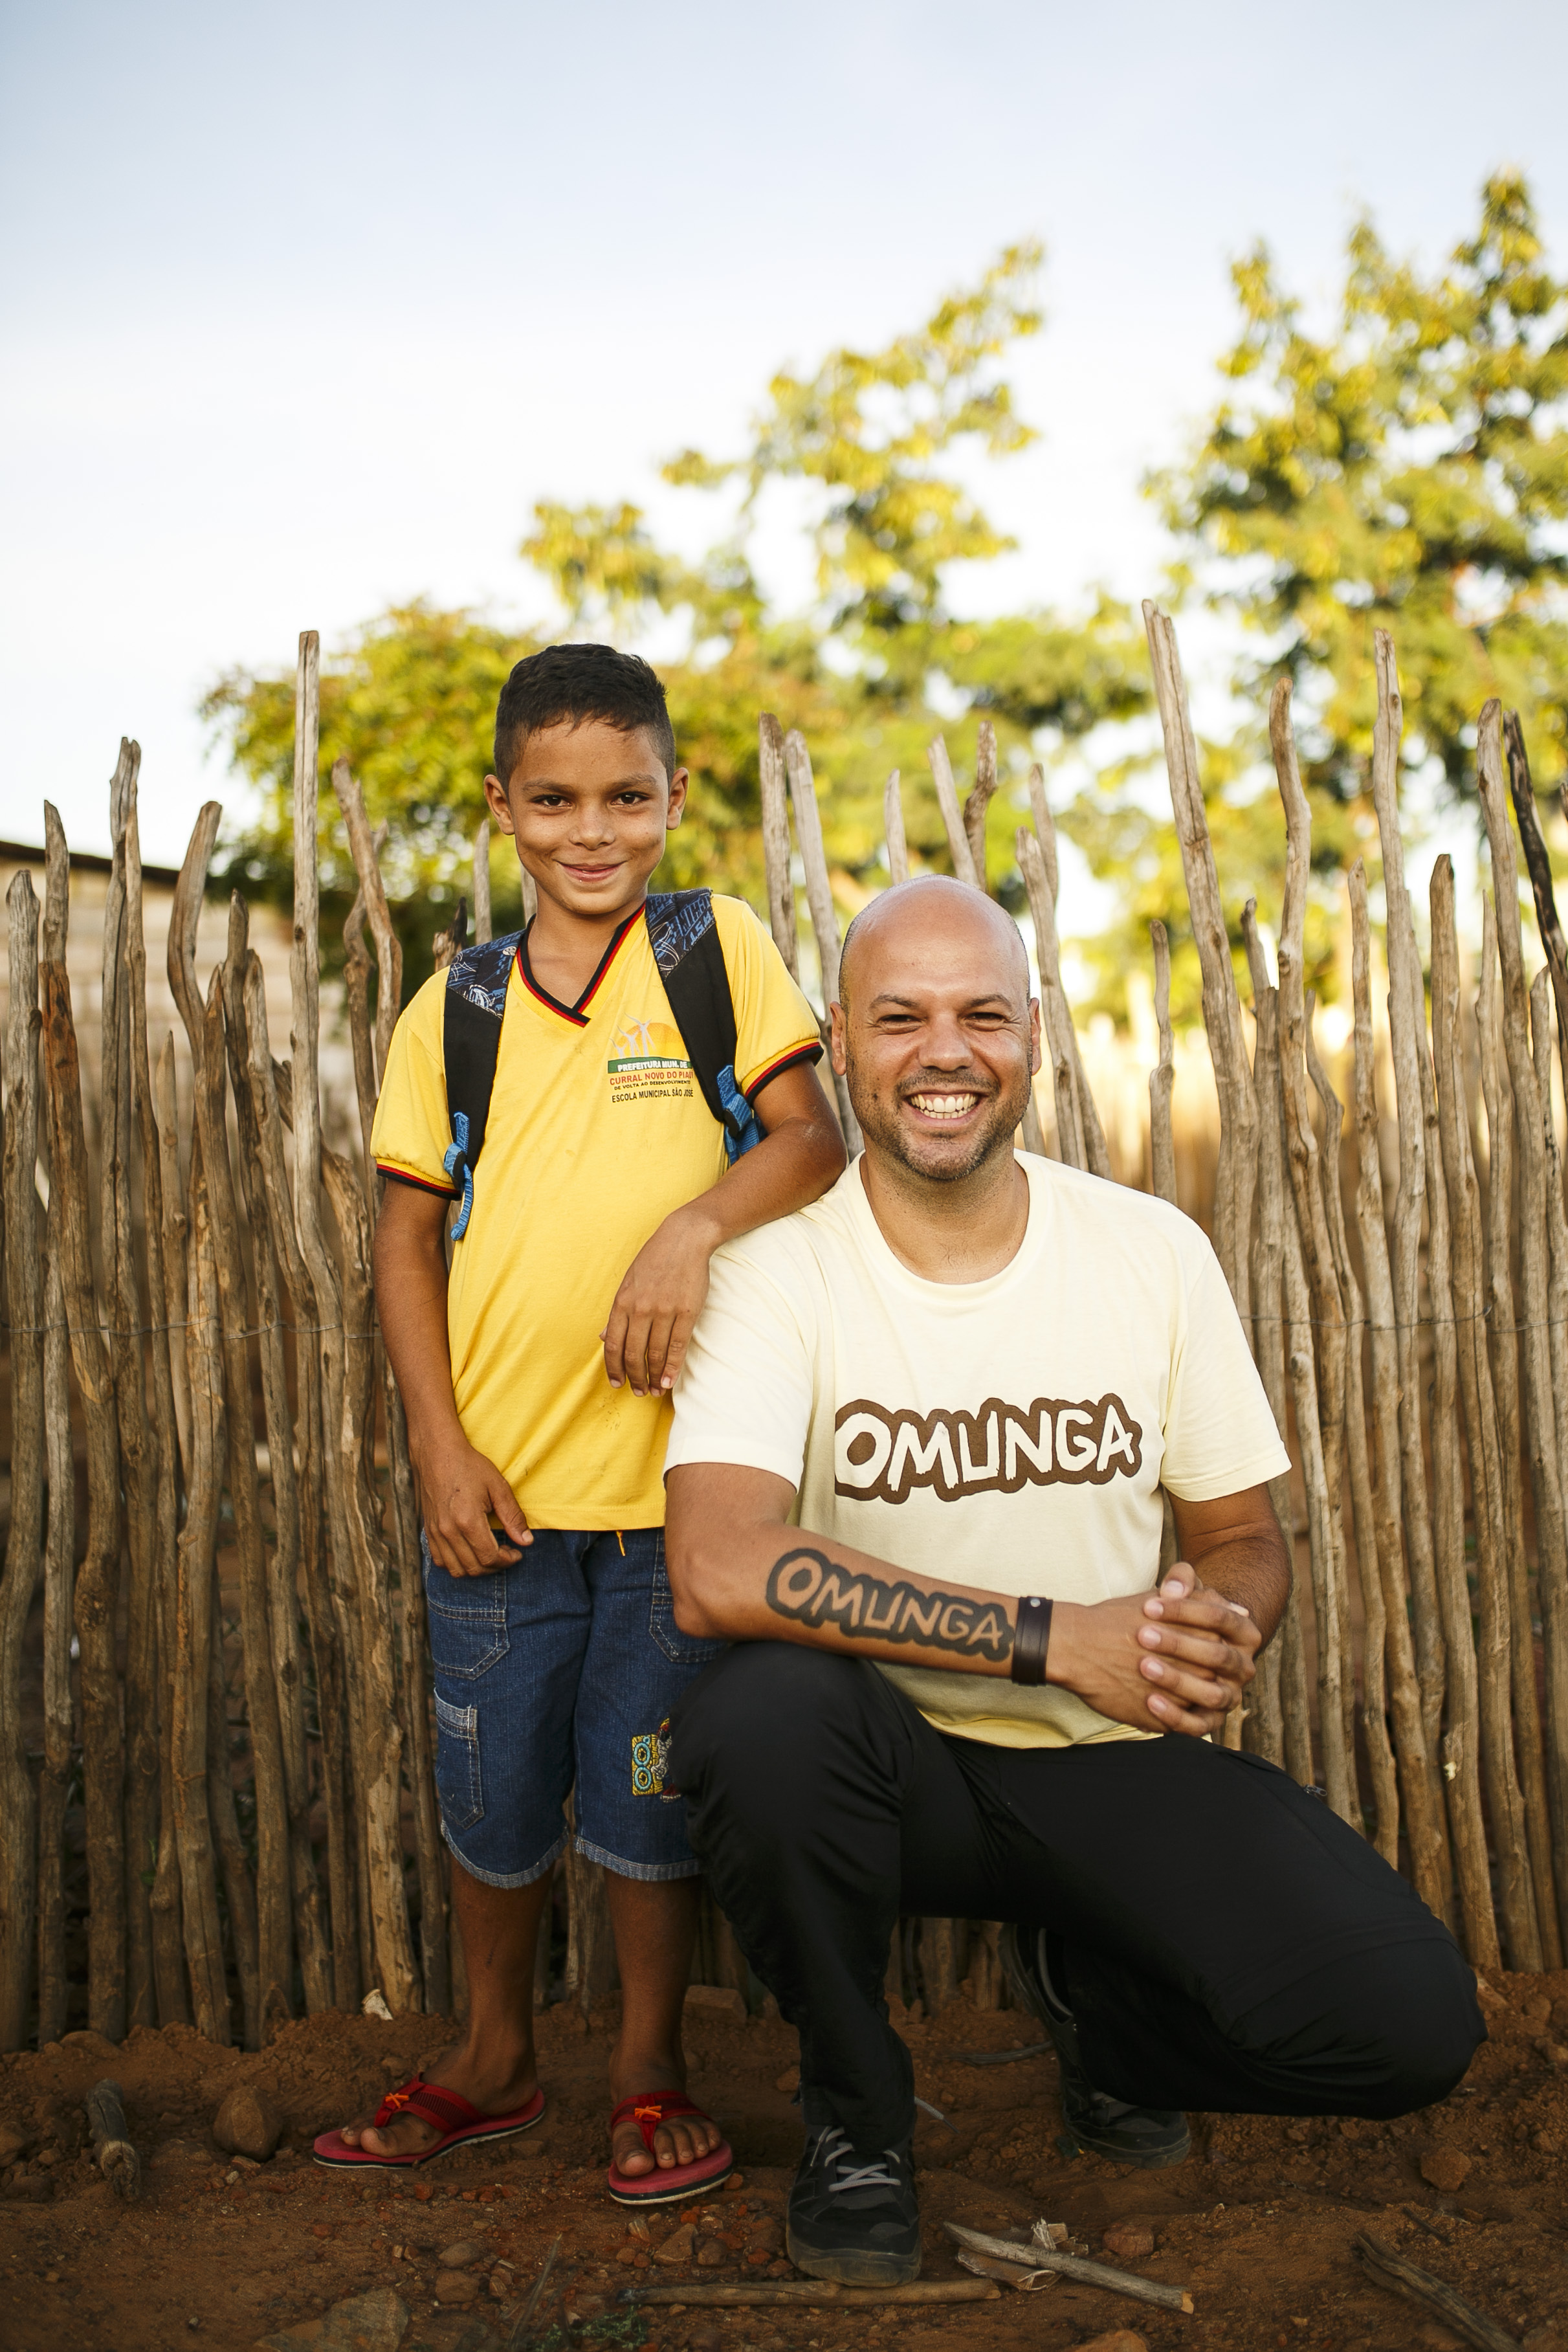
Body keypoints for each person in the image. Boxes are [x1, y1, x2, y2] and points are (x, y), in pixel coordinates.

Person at [661, 874, 1483, 2285]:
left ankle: (1104, 2028)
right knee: (754, 1717)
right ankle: (857, 2115)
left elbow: (1243, 1533)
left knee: (1409, 2026)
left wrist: (1214, 1625)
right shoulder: (774, 1275)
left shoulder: (1149, 1248)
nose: (945, 1051)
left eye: (983, 1014)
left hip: (1110, 1753)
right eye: (900, 1018)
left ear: (1034, 1035)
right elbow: (717, 1563)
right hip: (890, 1766)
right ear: (842, 1043)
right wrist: (1052, 1638)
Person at [313, 645, 845, 2198]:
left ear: (676, 798)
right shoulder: (459, 1006)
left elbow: (810, 1139)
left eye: (626, 796)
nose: (592, 829)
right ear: (502, 807)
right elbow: (405, 1234)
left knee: (644, 1787)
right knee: (492, 1786)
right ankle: (492, 2054)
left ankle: (645, 2064)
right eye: (554, 801)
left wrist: (690, 1228)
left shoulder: (713, 950)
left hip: (679, 1493)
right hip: (502, 1495)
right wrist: (438, 1447)